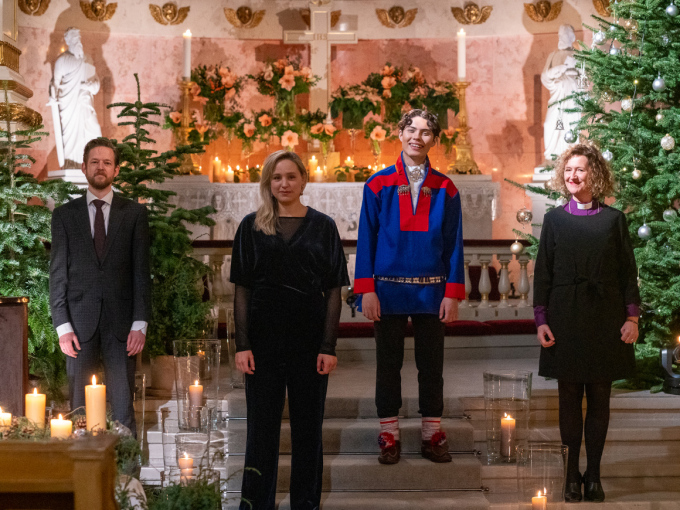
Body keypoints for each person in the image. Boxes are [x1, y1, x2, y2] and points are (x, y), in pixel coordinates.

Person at [230, 150, 349, 510]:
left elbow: (334, 291)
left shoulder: (324, 226)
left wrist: (328, 346)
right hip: (263, 343)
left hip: (309, 342)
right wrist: (243, 344)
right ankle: (256, 504)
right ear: (268, 183)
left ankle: (306, 504)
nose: (284, 183)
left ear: (303, 180)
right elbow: (242, 291)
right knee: (261, 432)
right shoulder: (251, 226)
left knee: (308, 431)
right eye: (276, 177)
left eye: (290, 177)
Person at [354, 109, 465, 465]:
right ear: (399, 133)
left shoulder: (446, 188)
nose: (418, 136)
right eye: (412, 129)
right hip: (386, 291)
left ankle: (432, 433)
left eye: (427, 132)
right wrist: (366, 290)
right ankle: (389, 433)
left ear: (435, 139)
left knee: (431, 366)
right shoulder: (378, 184)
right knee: (388, 366)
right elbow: (366, 240)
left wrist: (452, 293)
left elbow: (453, 244)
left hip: (432, 292)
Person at [534, 144, 640, 503]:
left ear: (594, 174)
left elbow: (628, 272)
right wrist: (541, 320)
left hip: (605, 316)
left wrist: (632, 317)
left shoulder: (614, 220)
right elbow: (543, 274)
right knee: (567, 399)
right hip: (565, 316)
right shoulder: (554, 219)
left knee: (598, 398)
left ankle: (592, 475)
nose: (573, 177)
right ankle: (569, 477)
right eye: (568, 171)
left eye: (579, 170)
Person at [50, 138, 151, 434]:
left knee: (123, 410)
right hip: (78, 328)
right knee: (79, 410)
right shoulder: (64, 216)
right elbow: (58, 275)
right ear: (83, 167)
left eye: (107, 162)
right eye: (94, 162)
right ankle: (83, 477)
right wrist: (63, 327)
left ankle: (127, 479)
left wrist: (140, 324)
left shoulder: (134, 215)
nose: (100, 167)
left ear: (116, 170)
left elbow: (141, 273)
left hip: (123, 329)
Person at [49, 28, 103, 168]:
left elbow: (96, 83)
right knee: (71, 137)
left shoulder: (88, 59)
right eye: (74, 38)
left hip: (85, 103)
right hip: (69, 105)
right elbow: (55, 83)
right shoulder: (62, 61)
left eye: (78, 38)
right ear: (68, 41)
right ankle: (73, 164)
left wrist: (90, 86)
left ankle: (93, 164)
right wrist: (52, 96)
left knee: (95, 130)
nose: (77, 40)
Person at [541, 24, 581, 163]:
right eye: (559, 35)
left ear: (572, 37)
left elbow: (585, 80)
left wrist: (574, 84)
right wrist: (556, 70)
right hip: (557, 95)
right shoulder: (553, 55)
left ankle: (570, 157)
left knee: (569, 125)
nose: (560, 37)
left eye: (564, 35)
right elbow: (544, 76)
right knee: (550, 124)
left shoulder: (578, 55)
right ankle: (551, 157)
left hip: (572, 97)